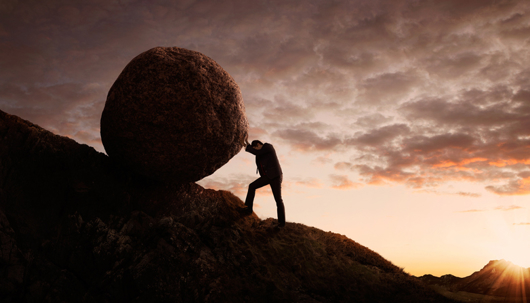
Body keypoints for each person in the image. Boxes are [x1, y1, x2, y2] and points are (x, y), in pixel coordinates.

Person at [240, 136, 286, 228]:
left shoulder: (268, 147)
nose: (255, 150)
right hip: (267, 177)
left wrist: (247, 146)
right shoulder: (259, 153)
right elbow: (256, 152)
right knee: (252, 186)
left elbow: (256, 152)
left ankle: (281, 223)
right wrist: (247, 144)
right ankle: (248, 209)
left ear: (258, 144)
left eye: (255, 148)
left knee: (278, 199)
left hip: (275, 176)